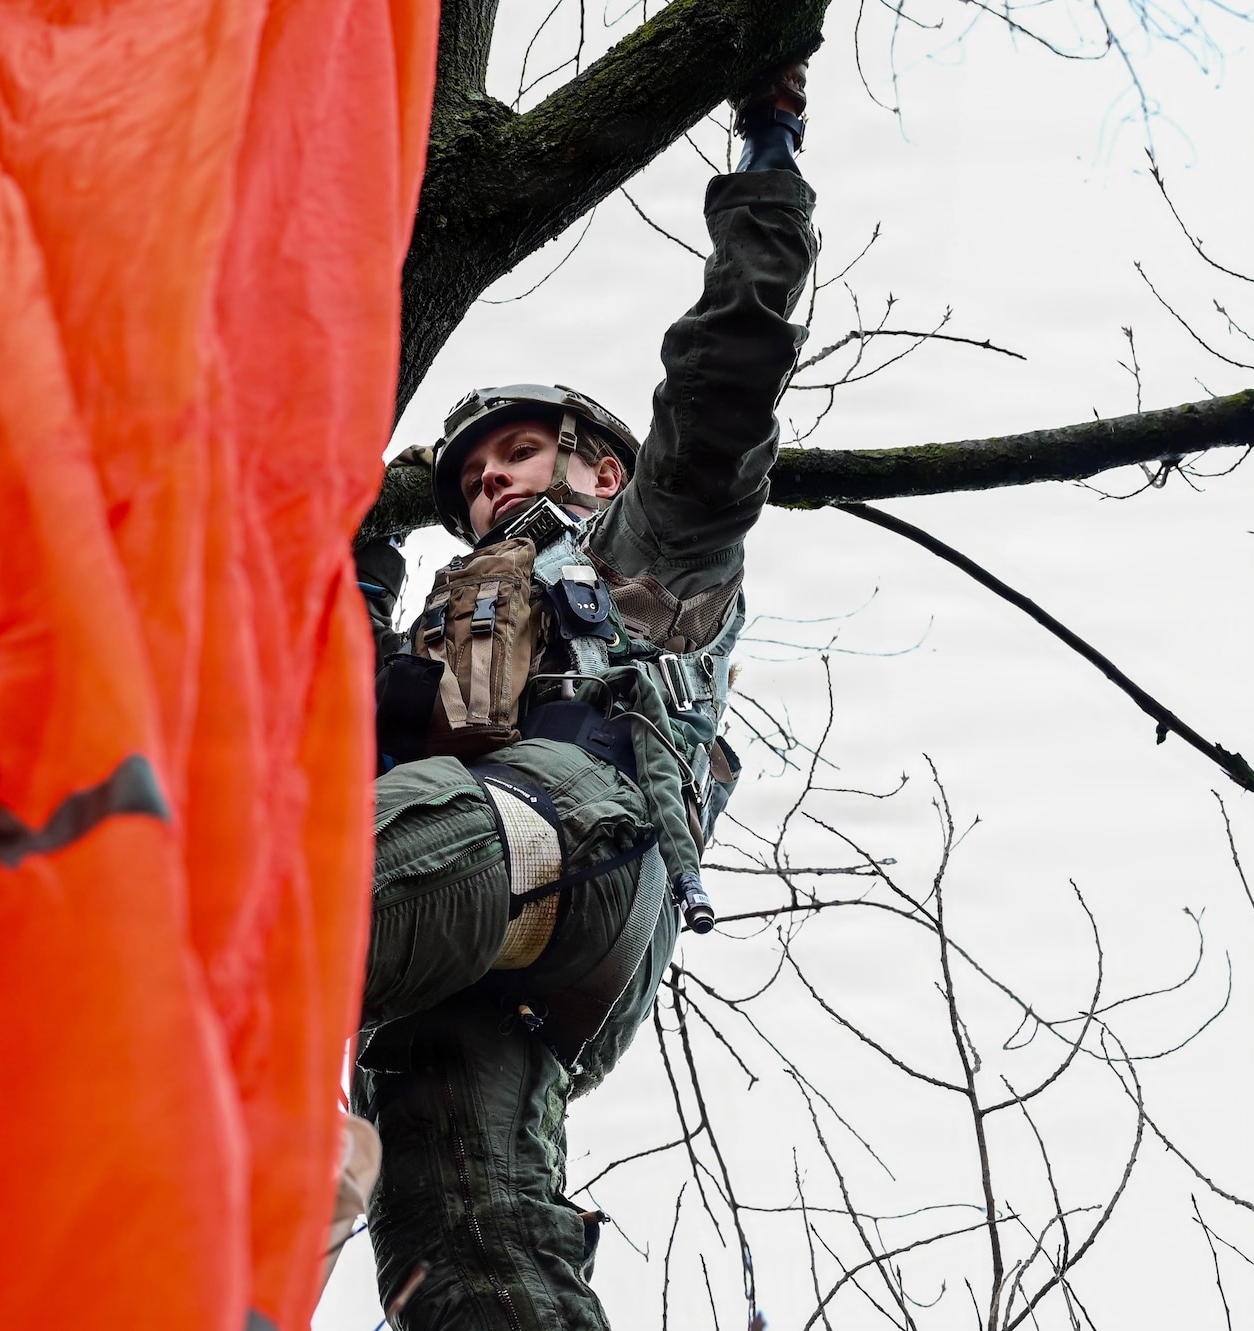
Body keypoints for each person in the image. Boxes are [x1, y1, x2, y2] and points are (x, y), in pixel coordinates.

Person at [349, 61, 819, 1330]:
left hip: (566, 831)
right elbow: (310, 717)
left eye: (515, 455)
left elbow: (728, 372)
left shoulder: (645, 544)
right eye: (470, 482)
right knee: (470, 1257)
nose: (491, 486)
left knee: (277, 914)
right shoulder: (439, 636)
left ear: (598, 463)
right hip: (516, 981)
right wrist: (355, 558)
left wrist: (766, 154)